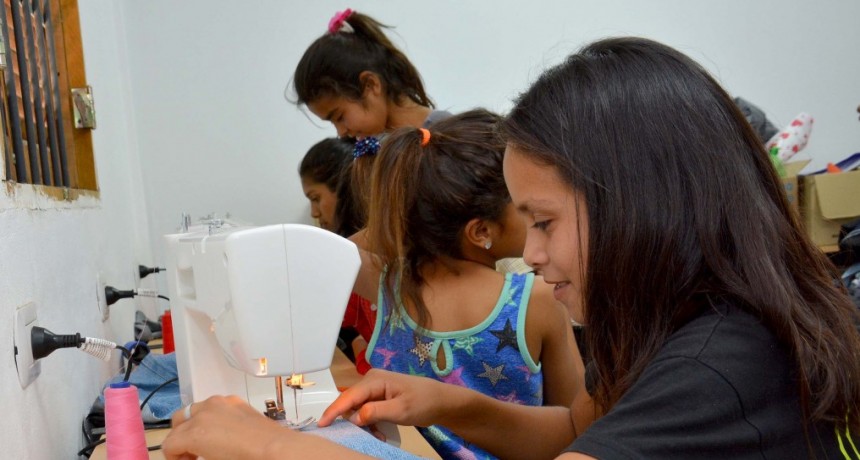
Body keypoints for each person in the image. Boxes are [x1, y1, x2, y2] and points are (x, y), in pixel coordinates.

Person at [163, 37, 860, 460]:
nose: (527, 254)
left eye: (546, 222)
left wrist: (269, 444)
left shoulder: (723, 364)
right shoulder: (656, 329)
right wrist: (444, 403)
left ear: (643, 207)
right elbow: (575, 435)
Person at [348, 108, 581, 458]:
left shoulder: (390, 284)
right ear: (482, 231)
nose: (535, 219)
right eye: (524, 208)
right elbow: (576, 426)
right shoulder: (537, 299)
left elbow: (328, 252)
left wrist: (404, 214)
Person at [291, 8, 451, 222]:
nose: (341, 132)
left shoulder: (447, 136)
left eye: (339, 116)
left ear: (371, 85)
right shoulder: (373, 152)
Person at [298, 137, 374, 372]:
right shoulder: (346, 251)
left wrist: (361, 348)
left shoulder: (367, 254)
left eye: (315, 198)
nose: (314, 212)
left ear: (343, 189)